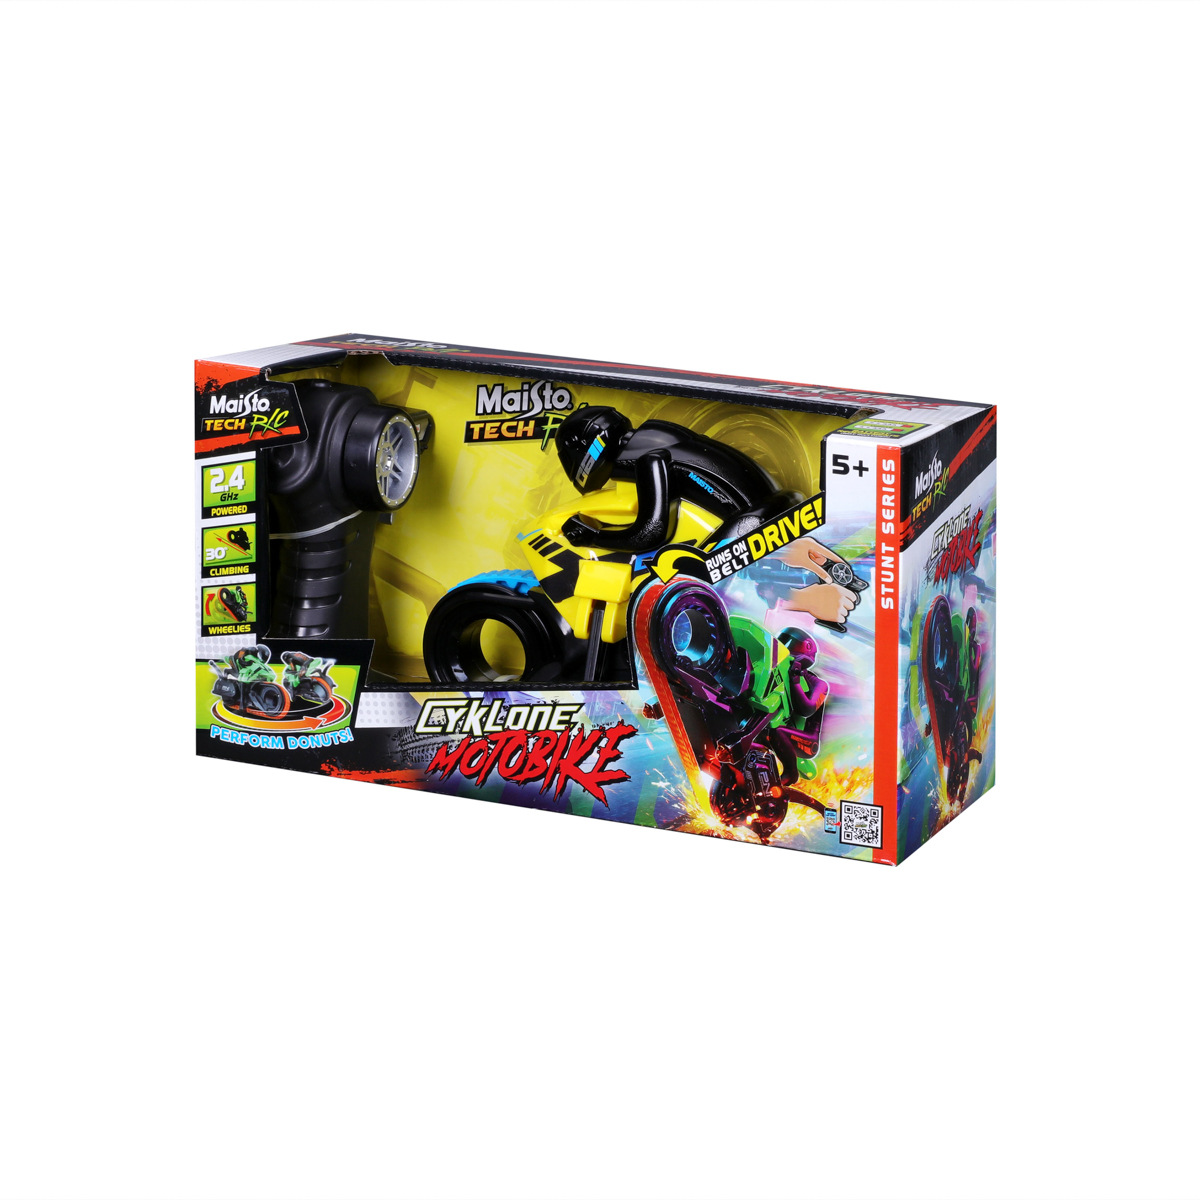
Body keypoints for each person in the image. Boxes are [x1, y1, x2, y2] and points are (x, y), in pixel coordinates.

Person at [554, 406, 787, 553]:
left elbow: (651, 533)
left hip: (755, 524)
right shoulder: (651, 438)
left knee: (687, 578)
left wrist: (594, 537)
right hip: (778, 507)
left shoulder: (649, 458)